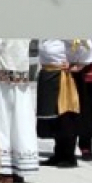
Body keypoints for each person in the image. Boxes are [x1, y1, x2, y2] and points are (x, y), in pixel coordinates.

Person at [0, 38, 37, 183]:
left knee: (1, 121)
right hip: (20, 72)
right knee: (20, 122)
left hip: (2, 76)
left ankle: (4, 171)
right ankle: (19, 168)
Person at [35, 39, 82, 167]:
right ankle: (58, 153)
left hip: (61, 75)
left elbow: (84, 44)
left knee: (65, 115)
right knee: (53, 116)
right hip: (47, 73)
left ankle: (68, 155)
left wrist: (77, 63)